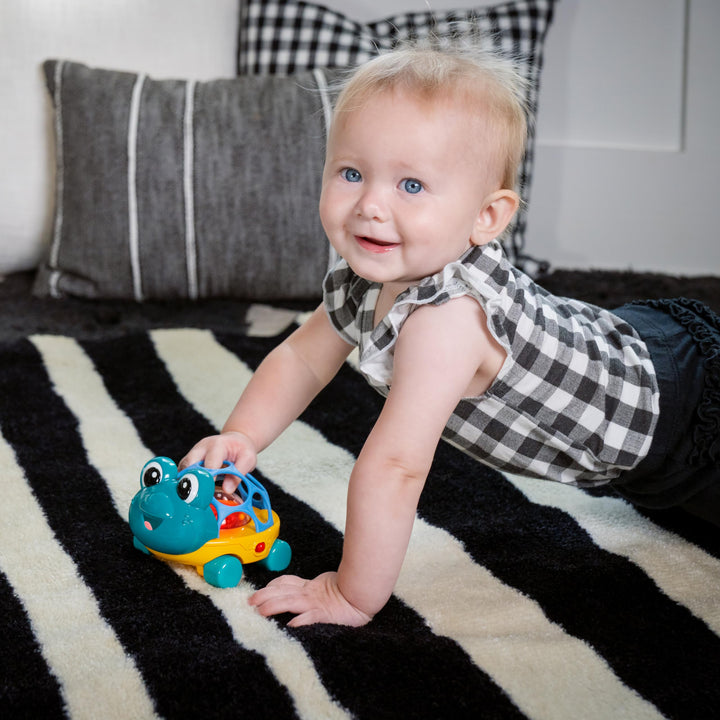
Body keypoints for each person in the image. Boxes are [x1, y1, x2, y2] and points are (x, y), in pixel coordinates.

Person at [180, 43, 720, 627]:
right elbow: (303, 360)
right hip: (635, 352)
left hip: (680, 418)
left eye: (410, 186)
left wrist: (349, 593)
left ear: (487, 217)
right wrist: (243, 434)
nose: (370, 205)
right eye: (352, 172)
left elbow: (396, 466)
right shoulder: (359, 278)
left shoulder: (446, 321)